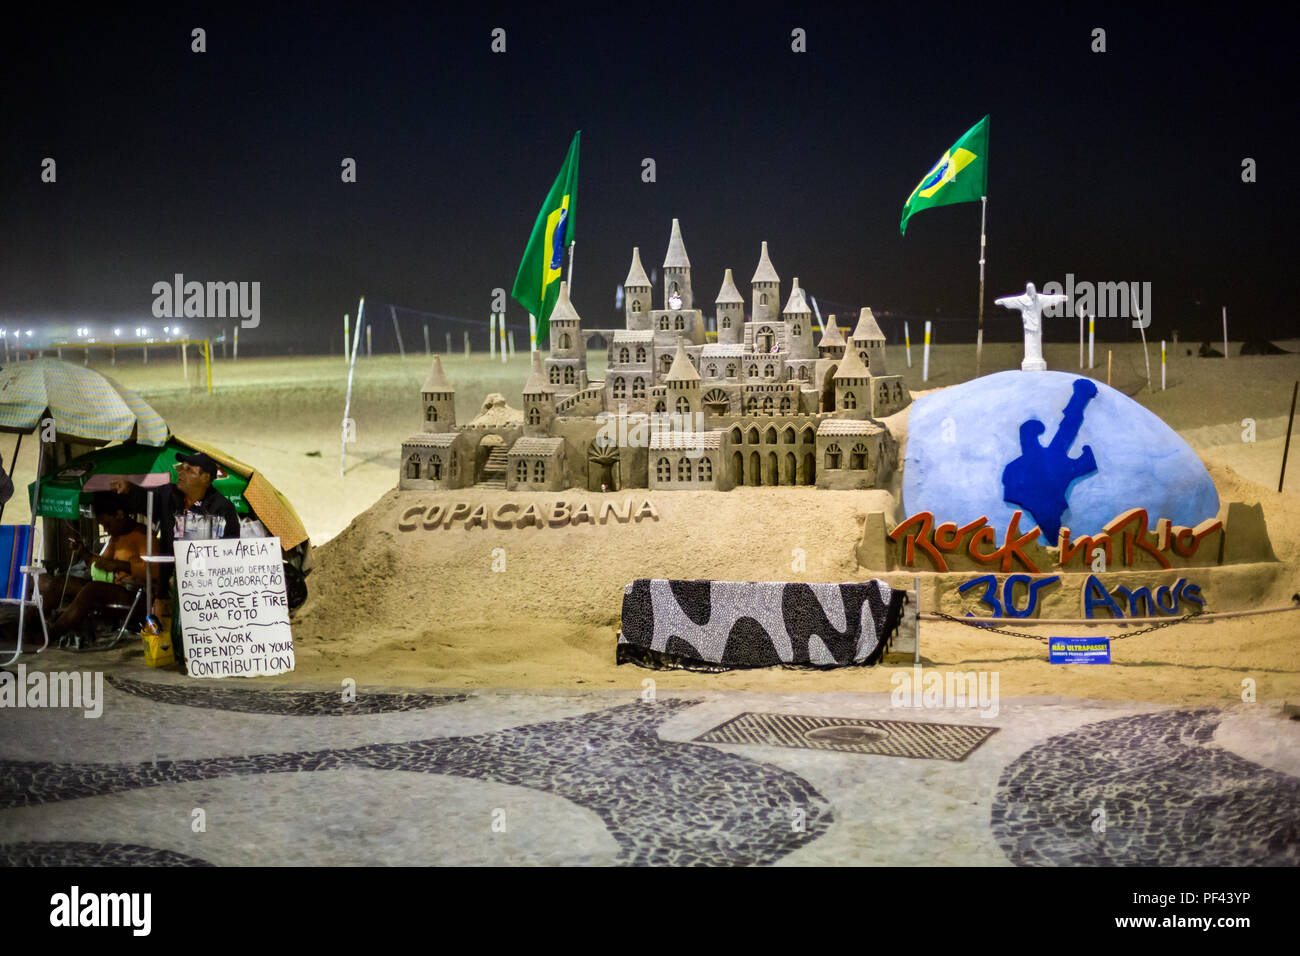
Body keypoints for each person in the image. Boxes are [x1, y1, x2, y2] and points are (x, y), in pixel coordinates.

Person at [109, 451, 240, 665]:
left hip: (208, 587)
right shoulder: (168, 496)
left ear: (206, 477)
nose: (181, 472)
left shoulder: (222, 508)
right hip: (172, 581)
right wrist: (129, 490)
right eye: (182, 467)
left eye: (189, 470)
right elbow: (144, 499)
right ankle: (180, 656)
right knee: (175, 633)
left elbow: (230, 553)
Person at [41, 491, 158, 643]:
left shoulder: (144, 536)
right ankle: (31, 625)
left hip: (137, 597)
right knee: (60, 582)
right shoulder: (116, 538)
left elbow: (155, 570)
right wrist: (83, 553)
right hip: (114, 591)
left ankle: (51, 634)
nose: (107, 530)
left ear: (119, 514)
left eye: (107, 524)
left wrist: (119, 565)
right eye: (103, 526)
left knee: (93, 589)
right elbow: (101, 563)